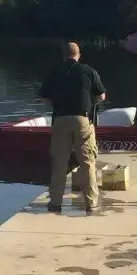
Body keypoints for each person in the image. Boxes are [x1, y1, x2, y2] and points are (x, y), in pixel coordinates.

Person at [39, 42, 106, 213]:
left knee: (59, 164)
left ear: (64, 56)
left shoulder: (54, 71)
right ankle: (91, 203)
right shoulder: (89, 71)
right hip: (82, 119)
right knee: (87, 162)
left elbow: (44, 98)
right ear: (79, 55)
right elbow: (101, 96)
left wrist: (57, 104)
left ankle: (55, 203)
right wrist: (90, 104)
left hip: (60, 119)